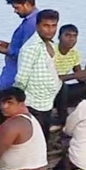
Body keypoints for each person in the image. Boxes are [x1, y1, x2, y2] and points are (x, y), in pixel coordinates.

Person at [13, 9, 61, 138]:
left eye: (53, 26)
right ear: (37, 26)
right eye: (46, 26)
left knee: (44, 138)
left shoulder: (51, 45)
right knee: (36, 139)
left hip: (47, 102)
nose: (50, 30)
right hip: (33, 104)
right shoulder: (31, 48)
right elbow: (21, 79)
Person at [0, 0, 39, 93]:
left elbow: (26, 53)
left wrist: (2, 50)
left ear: (27, 4)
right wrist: (8, 45)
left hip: (15, 76)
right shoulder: (32, 20)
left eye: (17, 7)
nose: (15, 11)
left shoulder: (31, 24)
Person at [53, 24, 86, 125]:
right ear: (59, 37)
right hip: (49, 89)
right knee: (62, 86)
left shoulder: (74, 53)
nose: (71, 39)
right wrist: (75, 76)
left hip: (62, 90)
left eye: (74, 36)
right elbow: (49, 79)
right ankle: (62, 118)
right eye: (68, 35)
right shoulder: (51, 51)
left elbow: (79, 75)